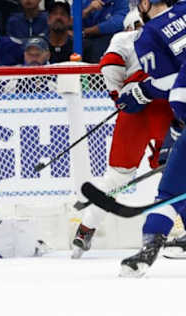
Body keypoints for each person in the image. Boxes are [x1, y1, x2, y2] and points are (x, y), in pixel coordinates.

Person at [71, 8, 173, 260]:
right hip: (165, 106)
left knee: (117, 177)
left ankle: (85, 229)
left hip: (134, 113)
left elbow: (110, 66)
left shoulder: (122, 38)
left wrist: (119, 97)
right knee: (177, 174)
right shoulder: (167, 29)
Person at [105, 0, 186, 277]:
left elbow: (170, 81)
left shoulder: (150, 33)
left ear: (145, 3)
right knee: (172, 184)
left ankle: (148, 248)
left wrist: (143, 91)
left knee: (169, 190)